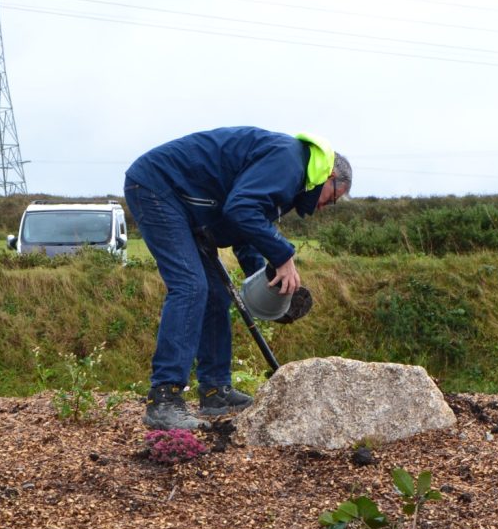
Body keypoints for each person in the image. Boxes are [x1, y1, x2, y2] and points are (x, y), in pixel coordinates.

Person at [124, 126, 352, 430]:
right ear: (331, 176)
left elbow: (246, 231)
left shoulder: (292, 178)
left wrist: (267, 287)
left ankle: (215, 392)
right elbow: (241, 209)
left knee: (215, 294)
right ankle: (164, 399)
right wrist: (283, 256)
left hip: (189, 202)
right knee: (190, 286)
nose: (325, 207)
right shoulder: (290, 163)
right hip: (160, 187)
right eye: (333, 198)